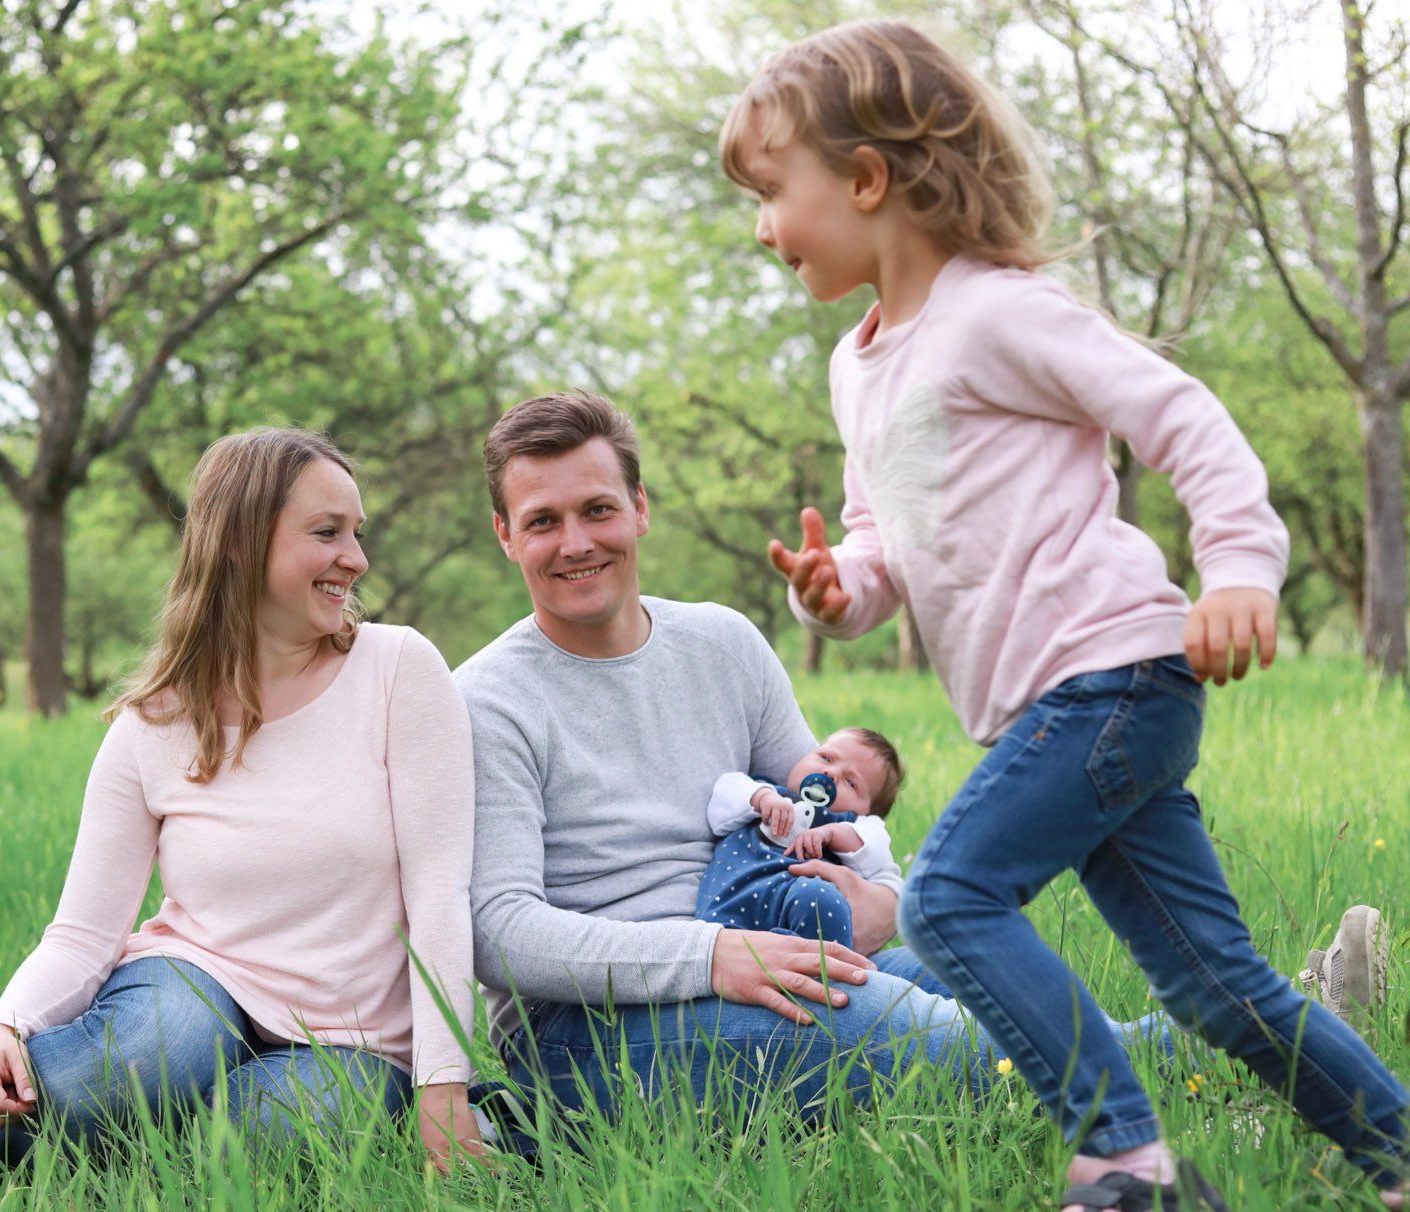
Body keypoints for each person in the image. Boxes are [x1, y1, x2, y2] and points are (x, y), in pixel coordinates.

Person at [722, 19, 1407, 1212]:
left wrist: (1244, 567)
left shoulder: (999, 311)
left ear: (867, 179)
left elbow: (1183, 419)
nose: (766, 227)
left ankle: (1129, 1175)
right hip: (1065, 707)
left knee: (953, 896)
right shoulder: (856, 370)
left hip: (1114, 678)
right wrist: (843, 587)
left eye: (775, 193)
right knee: (1213, 983)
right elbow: (887, 543)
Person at [457, 390, 1175, 1143]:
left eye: (596, 509)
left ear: (640, 507)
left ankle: (1221, 1058)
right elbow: (501, 933)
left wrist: (885, 901)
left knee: (993, 987)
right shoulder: (485, 698)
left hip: (765, 950)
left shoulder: (723, 644)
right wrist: (710, 956)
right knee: (918, 1035)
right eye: (543, 520)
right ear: (506, 535)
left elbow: (830, 814)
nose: (575, 542)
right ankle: (1247, 1038)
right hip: (583, 1033)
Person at [0, 429, 485, 1173]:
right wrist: (5, 1021)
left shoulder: (398, 669)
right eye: (327, 532)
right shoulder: (154, 721)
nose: (357, 557)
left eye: (357, 532)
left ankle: (106, 1170)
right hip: (196, 983)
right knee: (153, 1053)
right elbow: (83, 933)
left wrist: (445, 1088)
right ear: (239, 543)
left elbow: (441, 893)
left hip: (354, 1038)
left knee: (248, 1147)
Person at [698, 726, 905, 946]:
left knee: (821, 900)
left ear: (867, 811)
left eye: (851, 783)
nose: (832, 774)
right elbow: (722, 799)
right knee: (725, 943)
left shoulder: (854, 824)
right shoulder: (763, 790)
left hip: (800, 909)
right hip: (731, 903)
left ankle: (819, 966)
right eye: (826, 758)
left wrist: (832, 833)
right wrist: (762, 798)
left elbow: (876, 850)